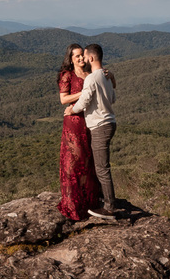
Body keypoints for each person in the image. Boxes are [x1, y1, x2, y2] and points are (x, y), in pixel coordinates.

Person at [67, 42, 118, 218]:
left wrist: (71, 110)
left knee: (102, 168)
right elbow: (112, 98)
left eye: (85, 56)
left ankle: (109, 207)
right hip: (110, 123)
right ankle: (105, 200)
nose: (83, 59)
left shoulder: (92, 78)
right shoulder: (105, 76)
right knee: (101, 166)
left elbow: (84, 100)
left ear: (91, 57)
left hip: (100, 126)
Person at [56, 43, 101, 220]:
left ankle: (89, 201)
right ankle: (73, 204)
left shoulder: (90, 74)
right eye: (77, 56)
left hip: (90, 120)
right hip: (73, 122)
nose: (81, 58)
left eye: (82, 55)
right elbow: (63, 99)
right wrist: (84, 92)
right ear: (71, 59)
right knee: (73, 161)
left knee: (88, 160)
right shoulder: (67, 75)